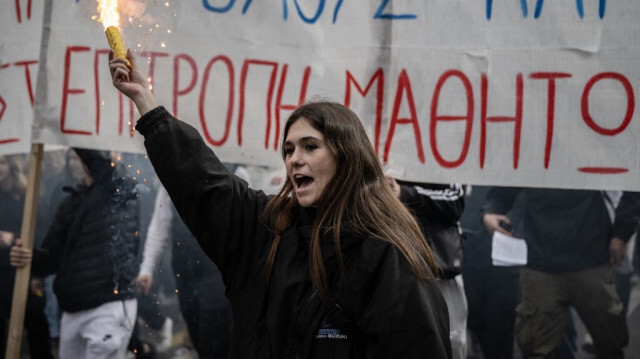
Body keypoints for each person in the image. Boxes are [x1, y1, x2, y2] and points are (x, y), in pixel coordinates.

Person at [108, 49, 452, 358]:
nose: (294, 160)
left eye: (310, 147)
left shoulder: (388, 257)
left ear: (347, 156)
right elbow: (205, 183)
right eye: (288, 150)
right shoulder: (270, 230)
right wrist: (147, 105)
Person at [11, 148, 141, 359]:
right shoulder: (70, 202)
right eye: (72, 157)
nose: (77, 160)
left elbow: (99, 163)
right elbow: (51, 259)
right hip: (72, 309)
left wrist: (71, 128)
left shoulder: (119, 188)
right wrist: (27, 258)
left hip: (108, 305)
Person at [482, 187, 640, 359]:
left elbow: (632, 183)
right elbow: (508, 181)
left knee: (610, 345)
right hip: (542, 261)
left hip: (590, 258)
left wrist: (622, 233)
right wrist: (490, 210)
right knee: (537, 349)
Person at [386, 178, 467, 359]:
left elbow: (455, 200)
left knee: (450, 337)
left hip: (439, 263)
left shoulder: (446, 156)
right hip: (392, 259)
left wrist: (404, 193)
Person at [0, 154, 54, 359]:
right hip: (1, 272)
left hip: (25, 271)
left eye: (2, 162)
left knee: (35, 325)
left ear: (12, 165)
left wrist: (14, 238)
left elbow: (43, 235)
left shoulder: (28, 198)